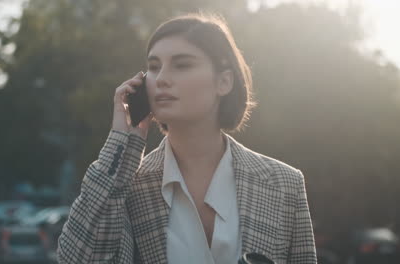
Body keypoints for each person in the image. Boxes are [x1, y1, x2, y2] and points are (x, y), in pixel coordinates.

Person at [57, 12, 317, 264]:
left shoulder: (285, 184)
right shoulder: (124, 187)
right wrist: (121, 139)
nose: (161, 79)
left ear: (223, 82)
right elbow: (77, 259)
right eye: (154, 67)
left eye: (182, 65)